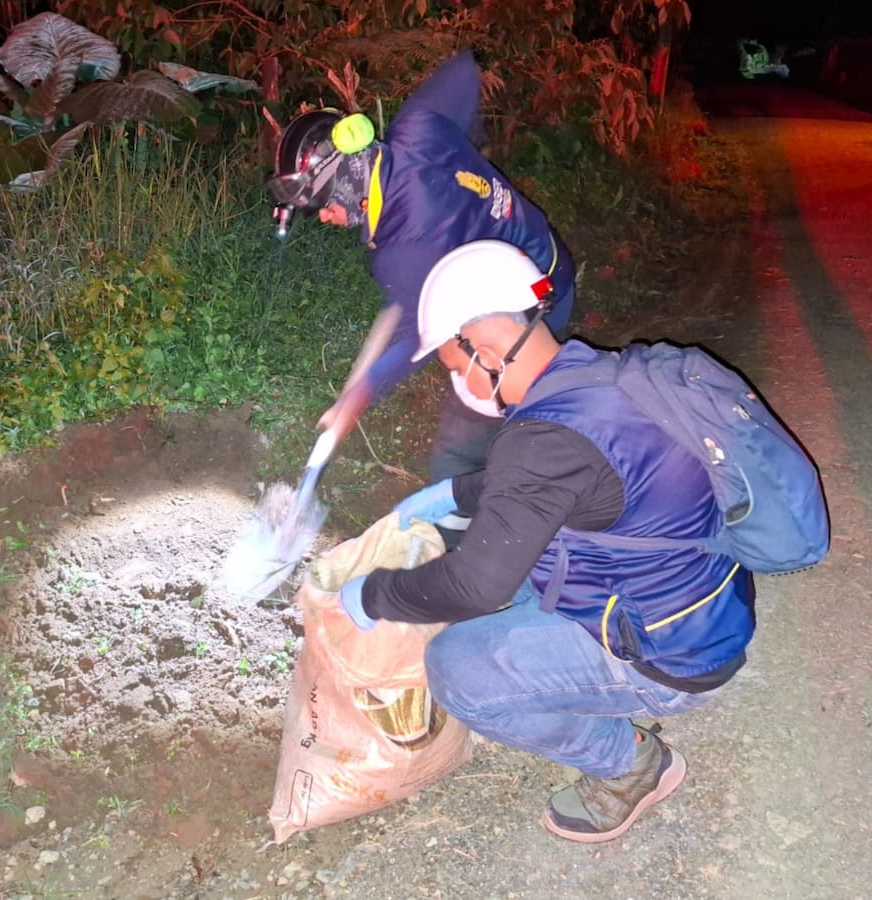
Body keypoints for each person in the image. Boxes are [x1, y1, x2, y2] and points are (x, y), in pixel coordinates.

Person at [335, 239, 757, 842]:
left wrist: (373, 595)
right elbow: (564, 473)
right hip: (705, 610)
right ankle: (590, 687)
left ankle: (630, 764)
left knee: (456, 667)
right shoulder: (599, 374)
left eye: (456, 368)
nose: (461, 384)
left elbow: (474, 585)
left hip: (672, 658)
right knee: (519, 573)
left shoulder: (541, 440)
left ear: (480, 345)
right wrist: (455, 495)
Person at [267, 50, 577, 544]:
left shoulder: (404, 253)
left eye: (322, 207)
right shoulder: (419, 127)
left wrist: (358, 395)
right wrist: (464, 167)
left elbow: (420, 336)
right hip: (552, 263)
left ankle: (466, 551)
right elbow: (464, 68)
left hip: (520, 319)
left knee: (463, 448)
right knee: (533, 409)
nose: (324, 219)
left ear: (348, 185)